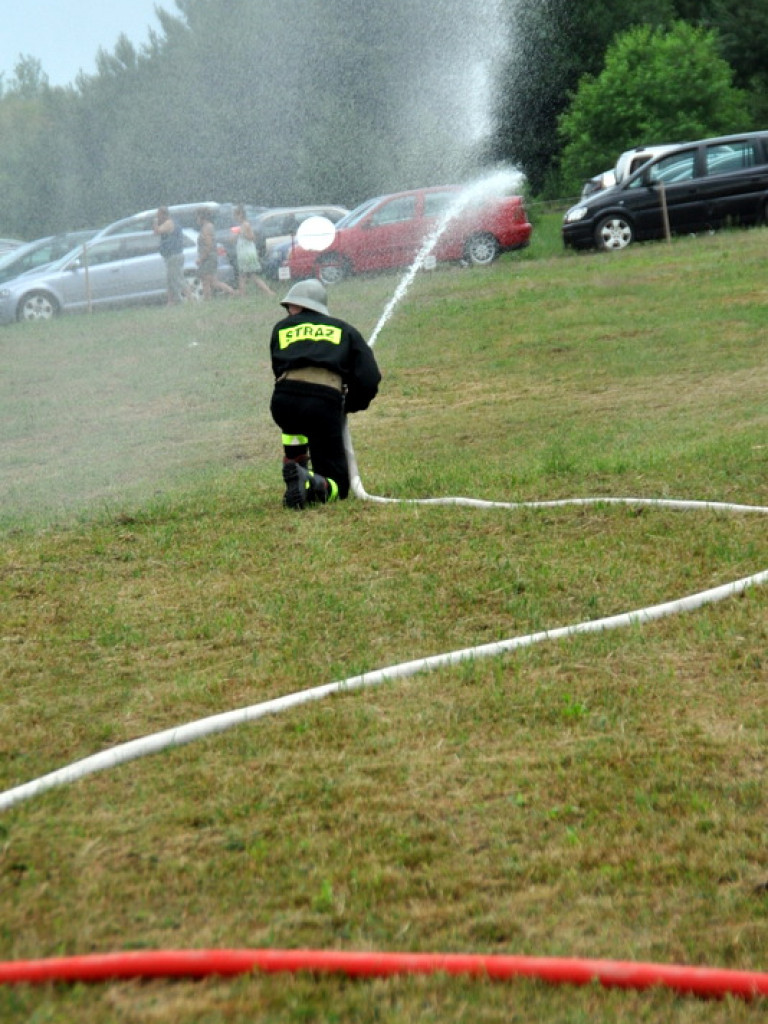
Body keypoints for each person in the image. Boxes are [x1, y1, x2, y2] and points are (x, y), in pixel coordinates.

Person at [269, 279, 381, 509]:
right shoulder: (344, 330)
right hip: (321, 405)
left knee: (293, 429)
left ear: (299, 306)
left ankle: (296, 468)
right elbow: (369, 378)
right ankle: (312, 482)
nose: (289, 312)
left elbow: (278, 366)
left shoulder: (281, 328)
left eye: (290, 306)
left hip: (283, 401)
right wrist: (350, 404)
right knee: (338, 485)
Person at [234, 205, 274, 298]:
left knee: (246, 275)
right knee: (248, 276)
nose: (235, 217)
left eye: (236, 215)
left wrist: (243, 234)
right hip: (243, 253)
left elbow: (252, 237)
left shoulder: (245, 225)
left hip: (247, 254)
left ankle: (267, 292)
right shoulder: (241, 226)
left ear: (240, 215)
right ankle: (267, 292)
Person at [196, 207, 235, 300]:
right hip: (210, 257)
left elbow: (208, 246)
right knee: (210, 281)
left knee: (208, 280)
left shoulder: (206, 228)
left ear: (202, 217)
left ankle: (231, 292)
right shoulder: (208, 227)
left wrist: (201, 259)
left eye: (197, 217)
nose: (196, 220)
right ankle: (209, 298)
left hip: (208, 258)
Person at [153, 206, 190, 304]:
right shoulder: (172, 222)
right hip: (171, 255)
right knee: (170, 280)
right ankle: (172, 302)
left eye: (158, 215)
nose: (158, 217)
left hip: (174, 255)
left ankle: (191, 299)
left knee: (178, 279)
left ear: (163, 214)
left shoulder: (169, 223)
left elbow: (156, 231)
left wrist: (155, 222)